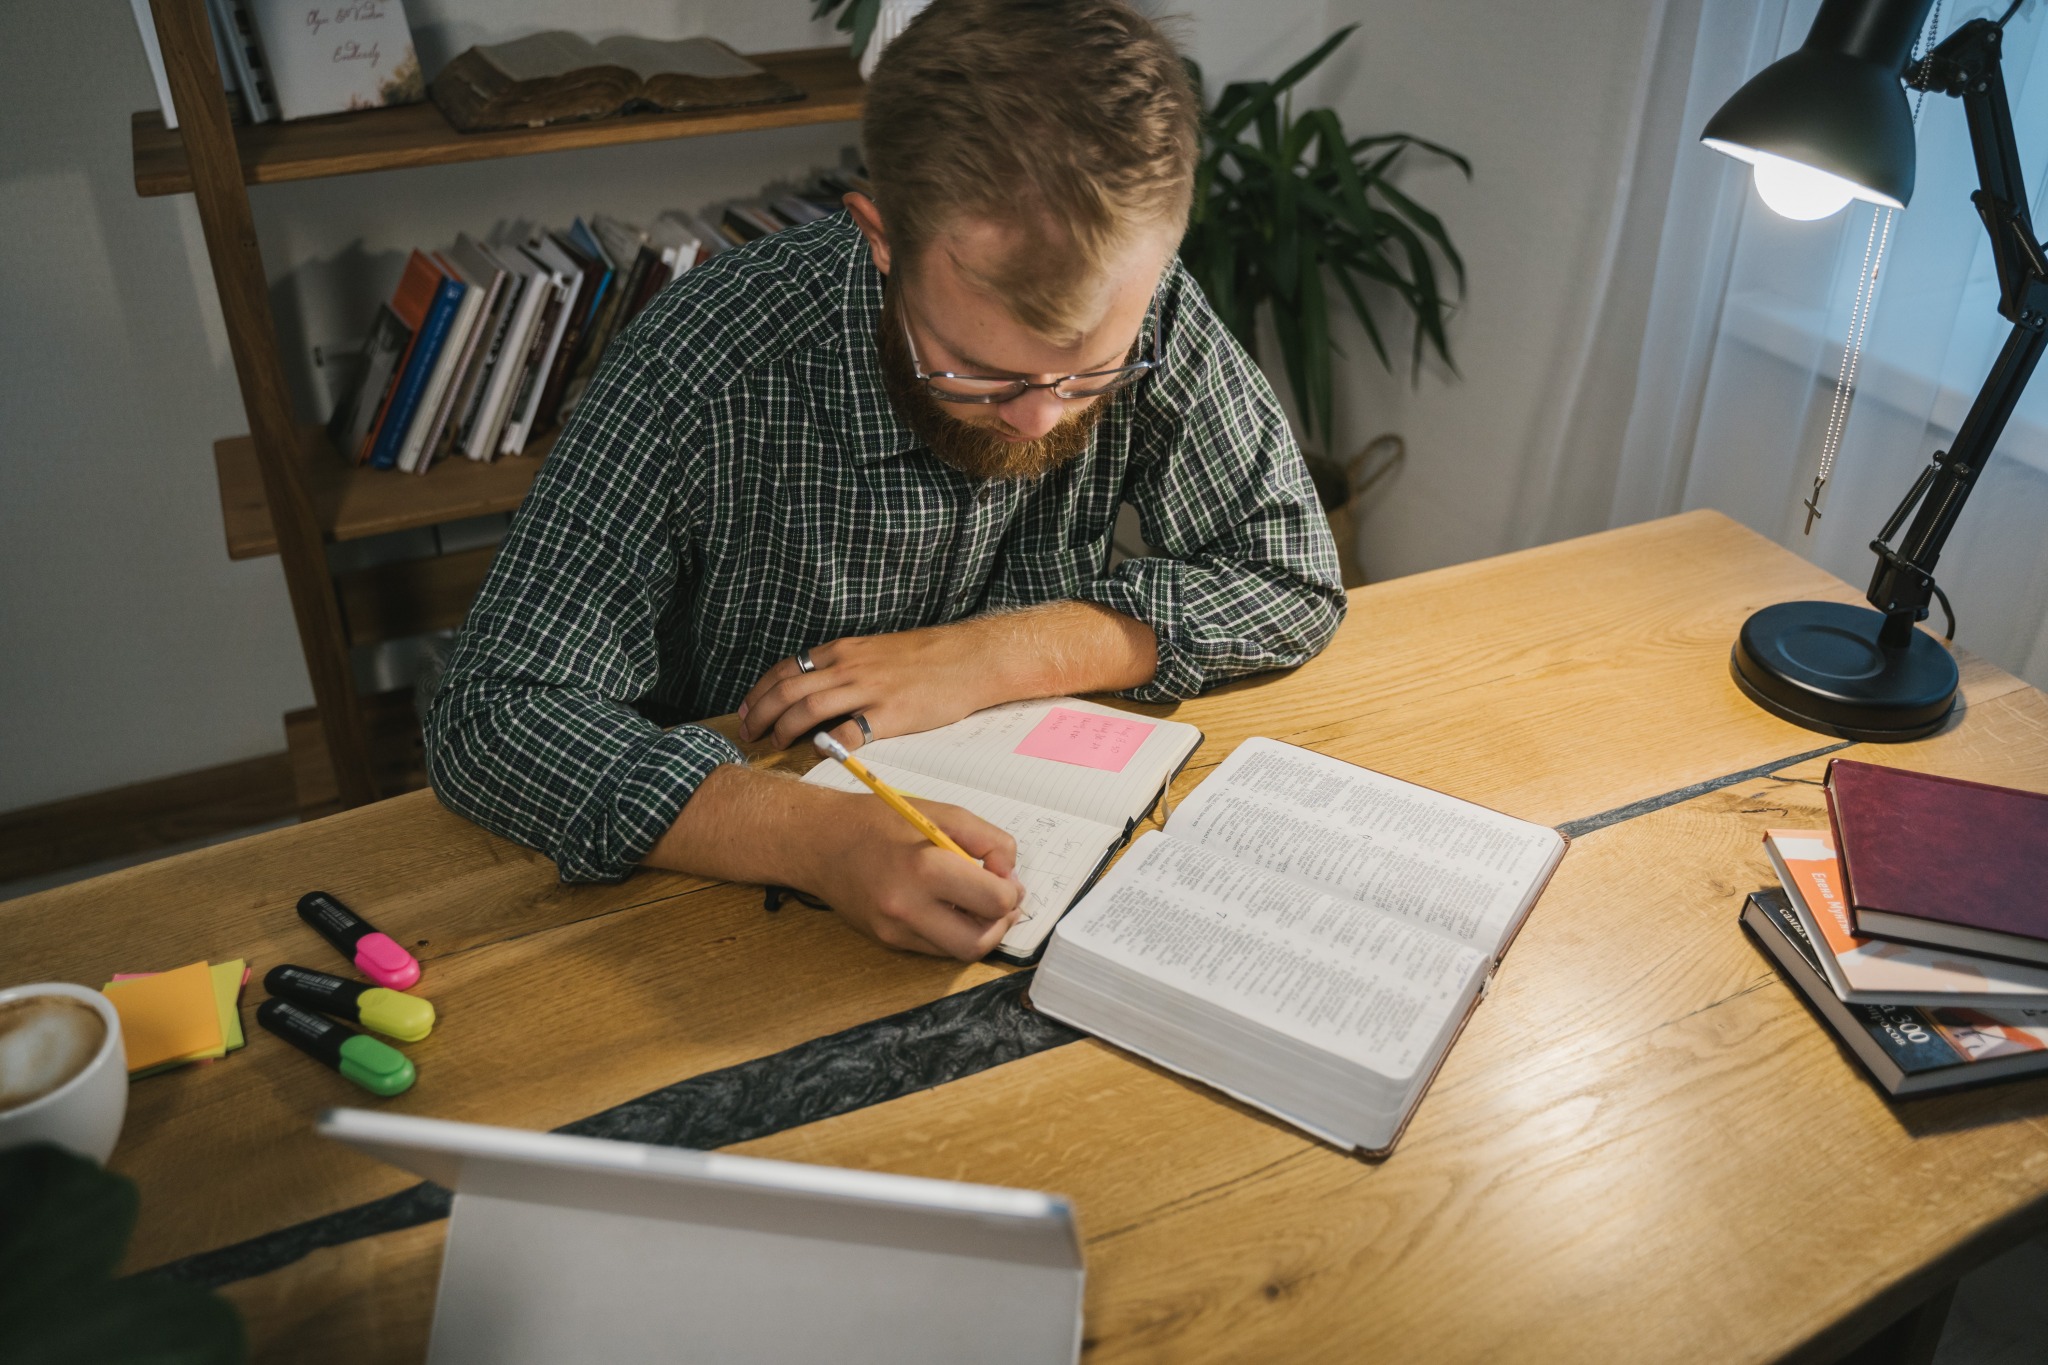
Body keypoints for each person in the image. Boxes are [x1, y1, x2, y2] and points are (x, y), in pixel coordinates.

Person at [425, 0, 1345, 961]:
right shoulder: (707, 359)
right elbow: (496, 709)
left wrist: (993, 656)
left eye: (1088, 374)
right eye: (980, 369)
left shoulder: (1151, 312)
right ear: (881, 238)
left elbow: (1290, 573)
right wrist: (806, 837)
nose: (1041, 419)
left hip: (1041, 854)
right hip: (712, 905)